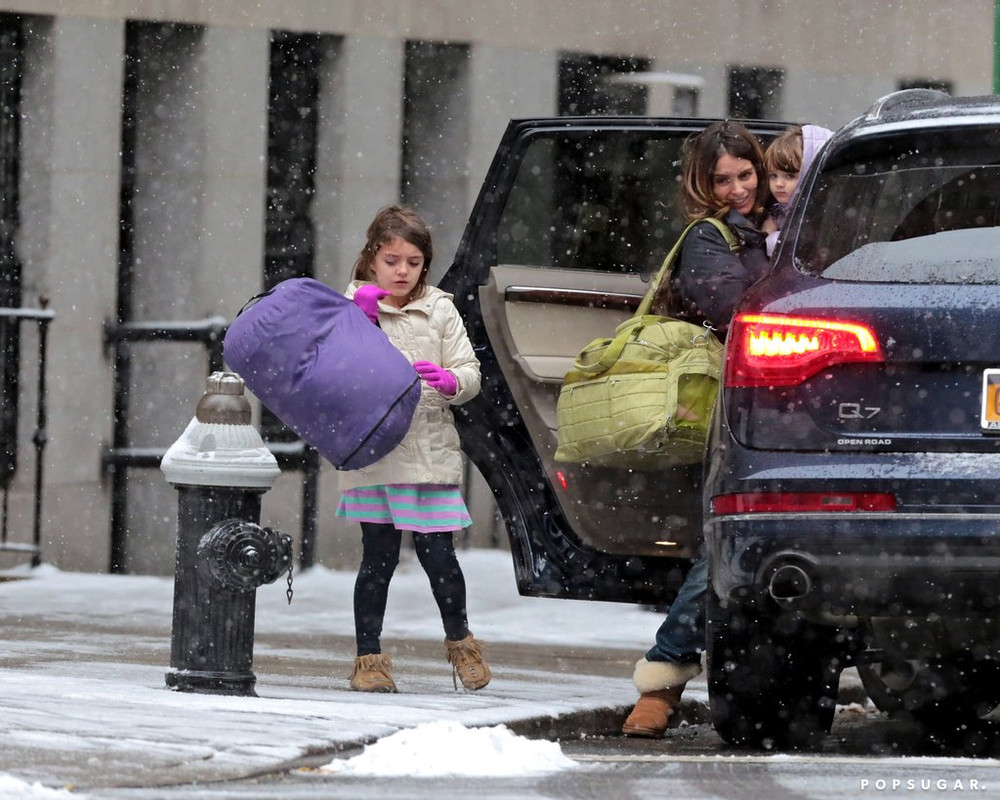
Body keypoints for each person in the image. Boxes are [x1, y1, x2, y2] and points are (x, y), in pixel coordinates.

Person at [621, 121, 771, 738]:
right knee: (725, 545)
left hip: (800, 407)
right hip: (736, 410)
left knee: (742, 546)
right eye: (723, 179)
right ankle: (663, 677)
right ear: (701, 184)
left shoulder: (779, 228)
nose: (738, 189)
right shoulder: (710, 238)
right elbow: (739, 306)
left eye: (746, 175)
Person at [336, 204, 490, 694]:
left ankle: (462, 644)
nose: (402, 270)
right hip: (376, 452)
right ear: (371, 259)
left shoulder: (440, 308)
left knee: (439, 555)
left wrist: (450, 382)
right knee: (376, 559)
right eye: (391, 259)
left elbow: (470, 371)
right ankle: (369, 660)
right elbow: (337, 373)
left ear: (426, 264)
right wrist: (360, 320)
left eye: (413, 262)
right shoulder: (350, 305)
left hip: (427, 451)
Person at [761, 124, 834, 256]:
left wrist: (771, 240)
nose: (778, 184)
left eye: (790, 176)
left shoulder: (816, 217)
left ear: (810, 174)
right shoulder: (779, 210)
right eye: (773, 176)